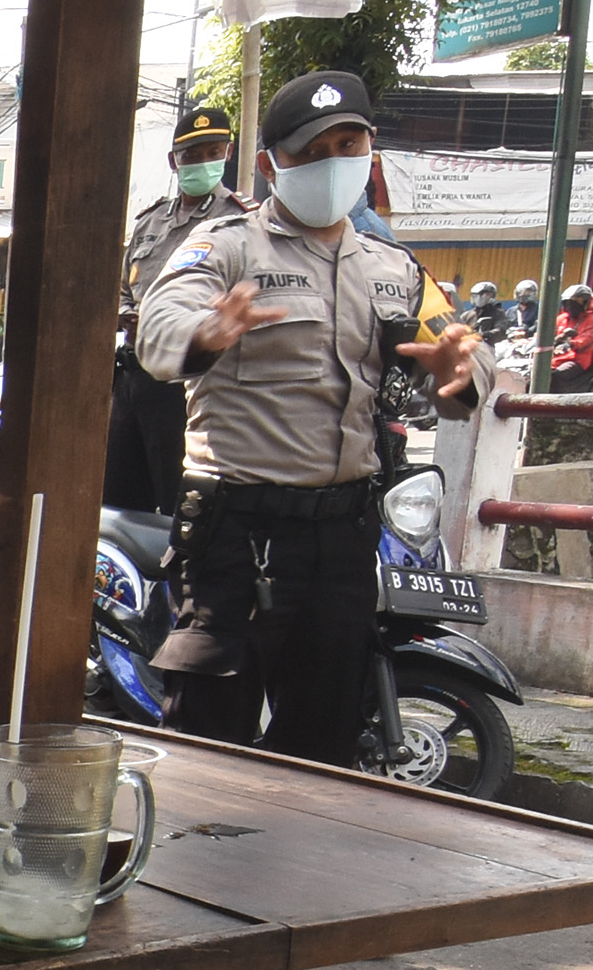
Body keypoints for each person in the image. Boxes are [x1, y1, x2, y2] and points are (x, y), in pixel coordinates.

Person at [132, 68, 478, 761]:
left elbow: (461, 347)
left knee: (325, 743)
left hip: (341, 540)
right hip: (235, 534)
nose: (332, 164)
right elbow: (159, 323)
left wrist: (459, 373)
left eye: (347, 145)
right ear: (269, 165)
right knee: (209, 737)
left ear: (370, 152)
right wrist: (206, 332)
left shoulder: (395, 268)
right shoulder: (226, 248)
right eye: (311, 152)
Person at [109, 103, 238, 512]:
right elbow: (120, 287)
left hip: (187, 381)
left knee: (178, 498)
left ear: (228, 153)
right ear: (174, 161)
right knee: (119, 499)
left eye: (212, 153)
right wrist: (128, 313)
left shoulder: (237, 222)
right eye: (191, 156)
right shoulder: (150, 223)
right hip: (133, 375)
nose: (202, 163)